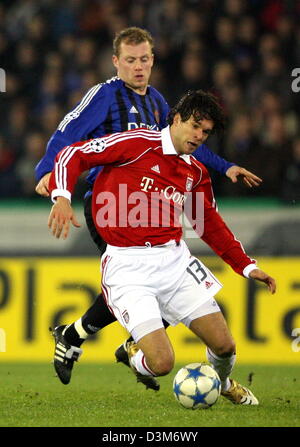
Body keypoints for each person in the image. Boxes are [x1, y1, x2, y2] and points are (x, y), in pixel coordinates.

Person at [35, 27, 262, 389]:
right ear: (116, 62)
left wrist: (224, 166)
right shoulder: (106, 95)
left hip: (151, 202)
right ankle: (103, 340)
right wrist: (49, 174)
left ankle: (79, 335)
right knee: (132, 271)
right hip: (109, 201)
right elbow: (69, 133)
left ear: (152, 60)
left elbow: (184, 142)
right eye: (130, 60)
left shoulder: (157, 101)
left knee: (149, 273)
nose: (138, 67)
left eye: (144, 60)